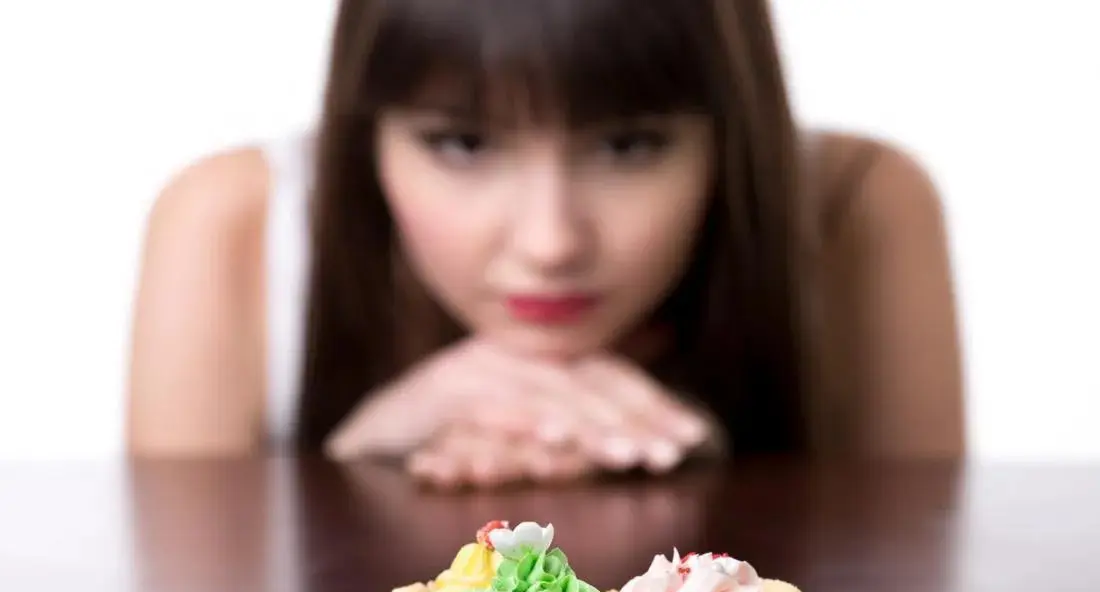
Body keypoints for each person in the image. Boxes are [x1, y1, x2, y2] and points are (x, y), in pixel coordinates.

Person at [126, 0, 965, 487]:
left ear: (730, 132)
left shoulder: (858, 207)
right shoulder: (235, 221)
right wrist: (363, 454)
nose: (551, 242)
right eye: (462, 144)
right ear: (363, 132)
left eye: (629, 145)